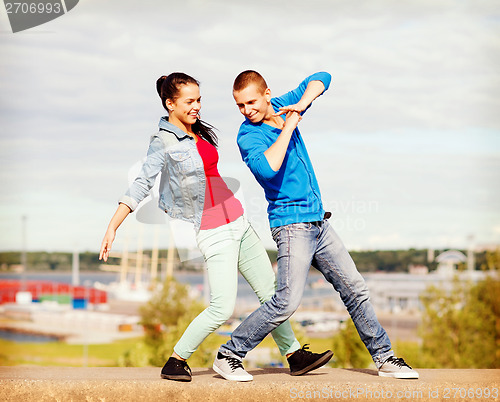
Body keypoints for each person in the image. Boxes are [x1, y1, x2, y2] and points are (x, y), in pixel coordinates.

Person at [99, 72, 330, 382]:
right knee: (221, 308)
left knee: (270, 294)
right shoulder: (163, 140)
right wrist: (114, 225)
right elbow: (142, 183)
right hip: (213, 229)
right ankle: (176, 360)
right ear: (170, 103)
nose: (197, 107)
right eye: (190, 101)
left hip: (238, 221)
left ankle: (294, 356)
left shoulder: (198, 133)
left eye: (199, 100)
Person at [212, 70, 419, 380]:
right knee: (286, 301)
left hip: (319, 224)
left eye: (251, 102)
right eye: (240, 105)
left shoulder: (283, 104)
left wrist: (301, 104)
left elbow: (323, 77)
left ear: (267, 94)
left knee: (356, 289)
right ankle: (229, 354)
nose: (247, 110)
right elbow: (269, 168)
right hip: (291, 225)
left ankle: (385, 358)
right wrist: (291, 123)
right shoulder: (247, 135)